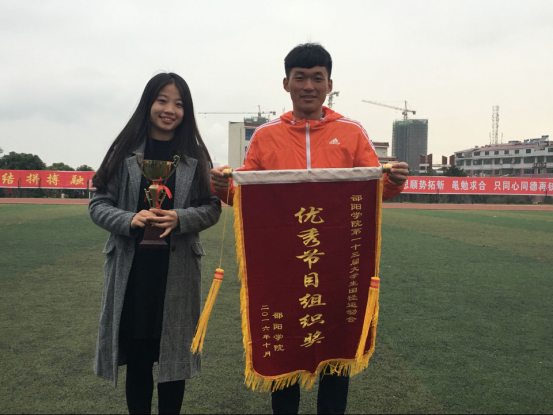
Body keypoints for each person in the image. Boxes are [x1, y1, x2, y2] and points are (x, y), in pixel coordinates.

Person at [211, 43, 409, 414]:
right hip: (283, 266)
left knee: (336, 346)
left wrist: (394, 180)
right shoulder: (266, 136)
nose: (308, 86)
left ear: (329, 85)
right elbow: (246, 196)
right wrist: (222, 187)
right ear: (286, 83)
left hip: (337, 265)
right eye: (300, 78)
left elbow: (375, 188)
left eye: (317, 78)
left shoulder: (351, 132)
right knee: (285, 348)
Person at [89, 72, 221, 414]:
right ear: (148, 103)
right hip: (134, 270)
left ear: (186, 111)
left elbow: (212, 207)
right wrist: (129, 220)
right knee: (138, 357)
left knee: (173, 359)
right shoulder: (124, 152)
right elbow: (98, 203)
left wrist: (180, 218)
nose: (169, 110)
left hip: (176, 269)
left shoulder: (195, 156)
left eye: (178, 104)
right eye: (162, 100)